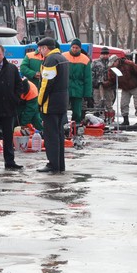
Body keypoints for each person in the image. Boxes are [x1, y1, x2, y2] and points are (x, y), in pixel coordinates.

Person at [0, 44, 25, 170]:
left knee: (8, 136)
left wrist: (15, 99)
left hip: (8, 109)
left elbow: (19, 85)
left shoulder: (12, 68)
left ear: (3, 54)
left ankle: (10, 161)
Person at [35, 37, 69, 174]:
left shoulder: (50, 60)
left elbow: (46, 84)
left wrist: (39, 102)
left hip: (51, 104)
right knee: (59, 135)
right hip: (62, 102)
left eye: (40, 48)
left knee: (51, 136)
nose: (39, 51)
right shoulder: (62, 58)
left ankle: (53, 164)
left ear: (45, 48)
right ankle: (60, 164)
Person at [107, 54, 137, 127]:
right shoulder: (111, 69)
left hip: (135, 86)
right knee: (123, 104)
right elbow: (111, 80)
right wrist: (105, 84)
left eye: (113, 63)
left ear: (117, 61)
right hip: (125, 88)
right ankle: (125, 120)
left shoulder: (129, 64)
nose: (112, 65)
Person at [62, 39, 92, 124]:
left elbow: (88, 78)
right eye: (73, 47)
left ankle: (76, 125)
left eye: (77, 48)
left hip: (78, 88)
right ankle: (62, 124)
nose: (74, 49)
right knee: (62, 108)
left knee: (77, 111)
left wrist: (87, 94)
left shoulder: (85, 59)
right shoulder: (63, 56)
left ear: (80, 48)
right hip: (65, 87)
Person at [91, 47, 114, 115]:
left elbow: (114, 75)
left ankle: (109, 117)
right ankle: (96, 117)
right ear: (101, 54)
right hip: (97, 87)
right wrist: (95, 83)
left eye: (106, 54)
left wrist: (112, 84)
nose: (105, 56)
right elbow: (91, 74)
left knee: (109, 104)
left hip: (108, 87)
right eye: (103, 54)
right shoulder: (95, 62)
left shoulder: (112, 63)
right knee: (97, 103)